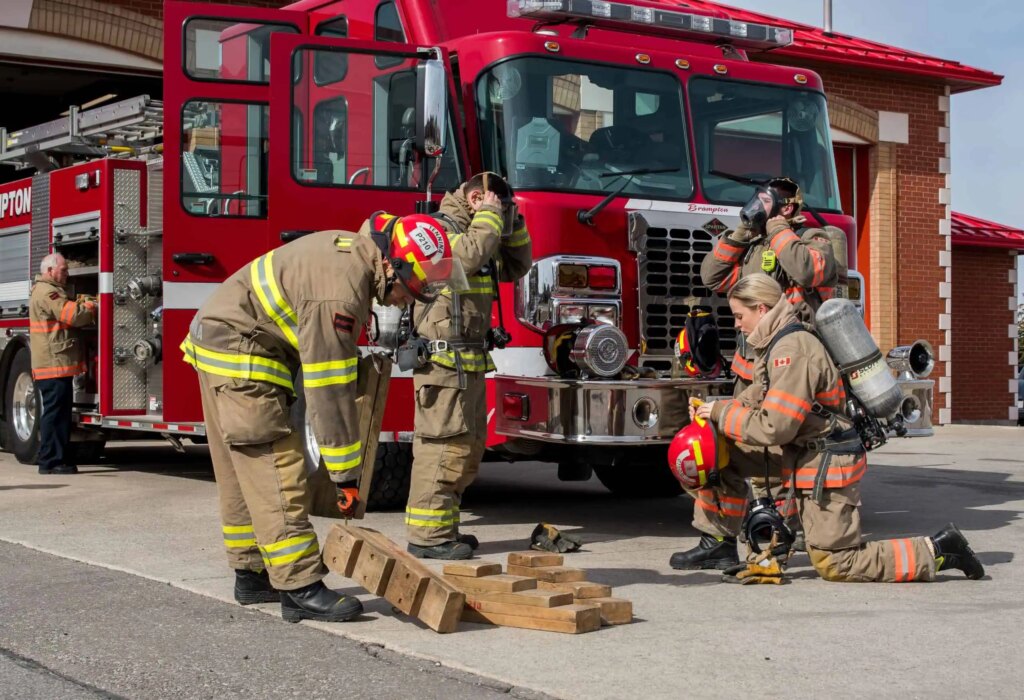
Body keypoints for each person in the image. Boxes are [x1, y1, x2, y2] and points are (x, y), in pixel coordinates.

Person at [181, 216, 456, 622]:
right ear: (391, 264)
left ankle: (252, 573)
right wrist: (346, 475)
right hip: (243, 354)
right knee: (277, 467)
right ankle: (299, 586)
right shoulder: (340, 292)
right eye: (409, 288)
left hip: (219, 342)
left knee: (244, 472)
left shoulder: (351, 256)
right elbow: (329, 391)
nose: (406, 300)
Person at [678, 273, 984, 583]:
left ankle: (940, 550)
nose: (736, 324)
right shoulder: (777, 343)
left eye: (739, 315)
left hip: (825, 461)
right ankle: (720, 543)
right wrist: (713, 411)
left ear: (761, 309)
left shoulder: (792, 350)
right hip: (802, 453)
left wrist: (722, 413)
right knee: (712, 455)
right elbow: (762, 396)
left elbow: (775, 427)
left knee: (837, 563)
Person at [677, 178, 839, 570]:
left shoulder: (817, 238)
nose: (759, 205)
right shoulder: (754, 246)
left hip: (792, 368)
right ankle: (718, 539)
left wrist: (777, 225)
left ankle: (779, 537)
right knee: (720, 449)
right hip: (750, 372)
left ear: (789, 206)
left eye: (768, 201)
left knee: (779, 457)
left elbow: (807, 270)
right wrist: (743, 231)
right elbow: (712, 276)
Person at [402, 172, 532, 560]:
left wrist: (513, 221)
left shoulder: (481, 230)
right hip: (442, 362)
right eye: (496, 206)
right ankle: (427, 536)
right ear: (475, 199)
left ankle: (445, 527)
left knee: (467, 448)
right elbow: (468, 257)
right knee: (442, 447)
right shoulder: (437, 230)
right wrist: (491, 216)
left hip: (468, 359)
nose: (500, 214)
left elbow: (517, 266)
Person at [29, 253, 96, 475]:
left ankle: (53, 458)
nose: (67, 273)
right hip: (53, 365)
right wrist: (91, 305)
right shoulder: (48, 292)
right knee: (56, 415)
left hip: (53, 364)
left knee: (57, 414)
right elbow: (73, 316)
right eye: (63, 270)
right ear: (50, 271)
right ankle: (51, 461)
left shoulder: (47, 290)